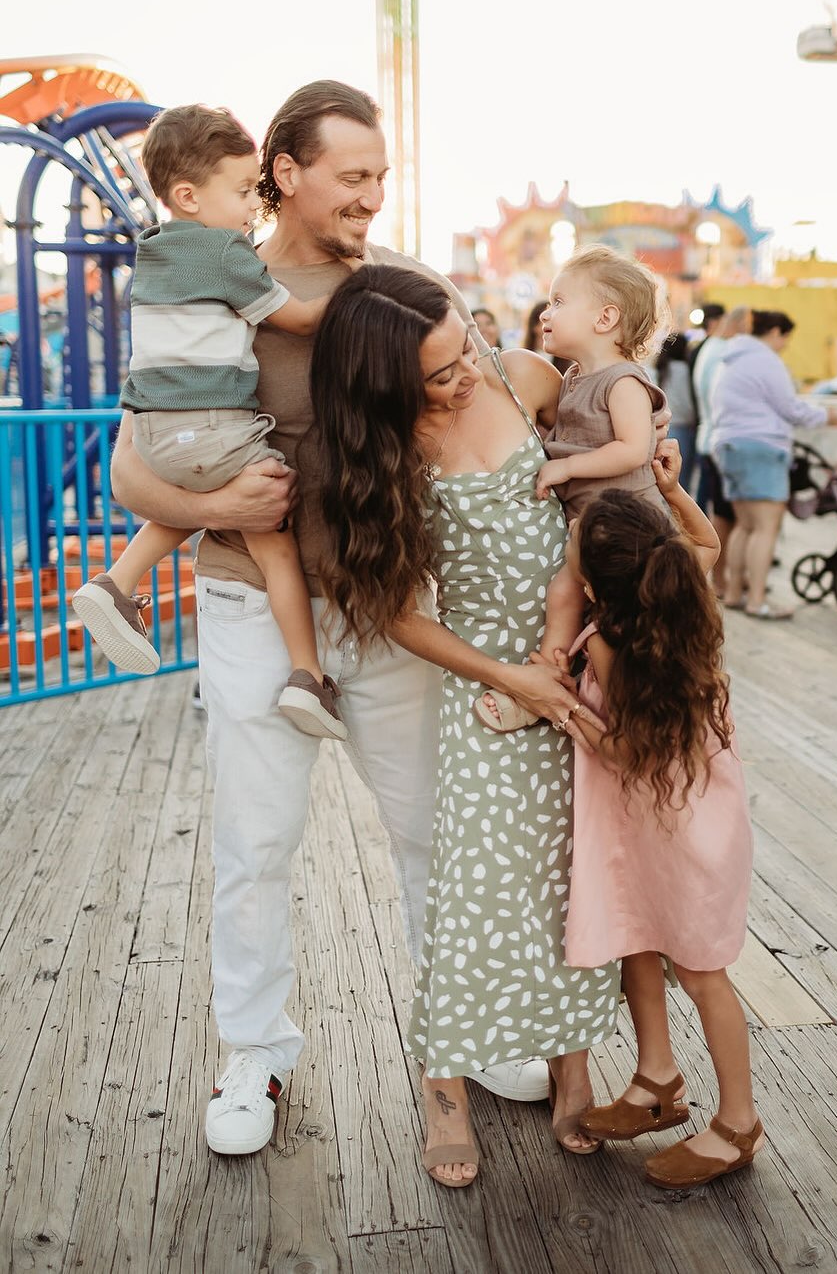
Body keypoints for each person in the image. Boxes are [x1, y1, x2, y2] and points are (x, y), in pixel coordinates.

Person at [109, 81, 557, 1159]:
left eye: (381, 177)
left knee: (425, 833)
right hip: (250, 604)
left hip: (387, 602)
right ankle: (254, 1054)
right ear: (286, 170)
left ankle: (467, 1023)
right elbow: (132, 466)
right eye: (352, 175)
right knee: (255, 844)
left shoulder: (406, 288)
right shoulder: (210, 274)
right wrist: (214, 507)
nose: (370, 195)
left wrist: (618, 428)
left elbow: (498, 398)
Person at [309, 263, 621, 1188]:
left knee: (574, 876)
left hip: (580, 664)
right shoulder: (383, 452)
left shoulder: (527, 380)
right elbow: (401, 611)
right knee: (473, 884)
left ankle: (574, 1067)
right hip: (485, 677)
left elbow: (596, 485)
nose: (467, 378)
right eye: (441, 372)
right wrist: (507, 677)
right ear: (385, 382)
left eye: (467, 350)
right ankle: (444, 1086)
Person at [72, 105, 345, 740]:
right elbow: (301, 320)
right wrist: (357, 289)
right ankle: (308, 676)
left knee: (200, 497)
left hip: (157, 435)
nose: (256, 204)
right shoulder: (224, 251)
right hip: (215, 425)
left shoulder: (154, 253)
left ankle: (118, 581)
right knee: (272, 527)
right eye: (245, 190)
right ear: (190, 195)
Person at [558, 487, 761, 1189]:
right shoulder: (682, 600)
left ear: (591, 583)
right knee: (638, 939)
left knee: (703, 972)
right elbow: (705, 541)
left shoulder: (611, 641)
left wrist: (565, 710)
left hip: (677, 826)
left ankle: (738, 1123)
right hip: (674, 819)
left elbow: (622, 751)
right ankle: (657, 1079)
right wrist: (674, 490)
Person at [475, 243, 668, 732]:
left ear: (605, 319)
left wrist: (565, 469)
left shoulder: (622, 381)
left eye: (560, 302)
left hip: (630, 531)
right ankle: (550, 677)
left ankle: (626, 699)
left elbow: (631, 449)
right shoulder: (576, 378)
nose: (546, 312)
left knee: (622, 620)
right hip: (592, 530)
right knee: (565, 595)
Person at [712, 310, 837, 619]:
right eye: (784, 337)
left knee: (745, 525)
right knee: (766, 527)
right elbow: (791, 408)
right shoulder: (766, 361)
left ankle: (733, 593)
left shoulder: (732, 359)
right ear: (773, 333)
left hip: (728, 445)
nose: (784, 344)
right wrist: (827, 416)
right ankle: (757, 600)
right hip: (761, 446)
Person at [694, 306, 750, 597]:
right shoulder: (722, 353)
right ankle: (721, 580)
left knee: (720, 512)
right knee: (725, 515)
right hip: (720, 441)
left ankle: (723, 578)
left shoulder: (712, 349)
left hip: (710, 438)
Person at [653, 331, 698, 494]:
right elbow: (687, 402)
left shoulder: (659, 369)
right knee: (681, 479)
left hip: (661, 428)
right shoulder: (684, 370)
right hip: (683, 426)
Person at [524, 298, 571, 373]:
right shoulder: (523, 359)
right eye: (544, 320)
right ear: (534, 325)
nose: (550, 322)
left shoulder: (567, 363)